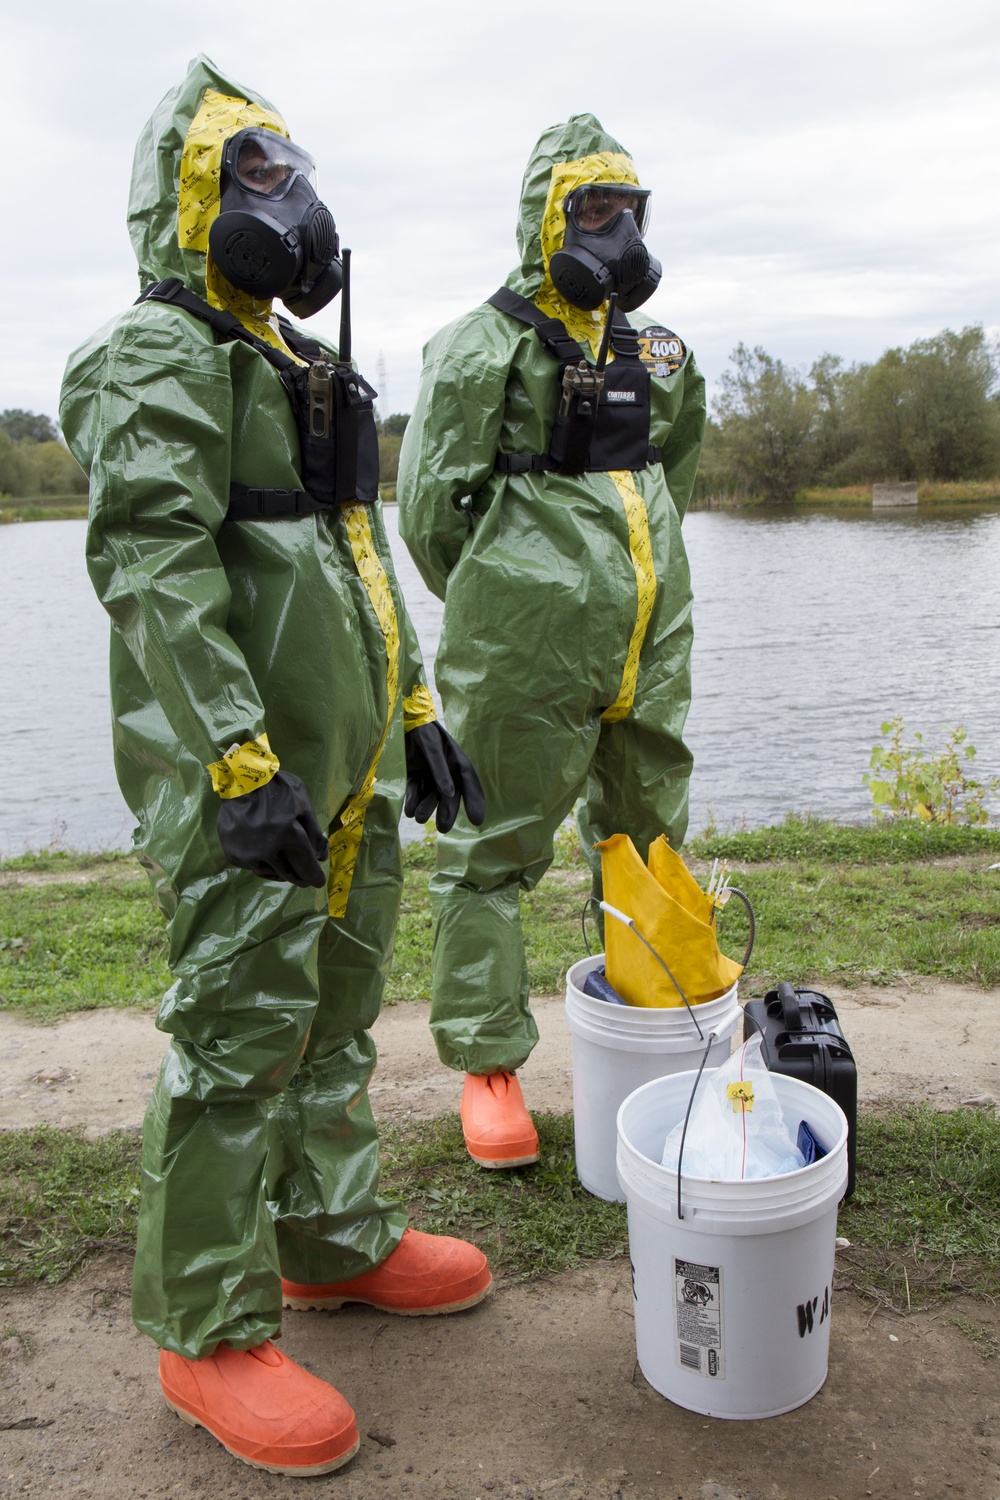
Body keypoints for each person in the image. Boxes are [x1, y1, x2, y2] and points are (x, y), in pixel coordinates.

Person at [59, 56, 487, 1477]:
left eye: (291, 170)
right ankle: (205, 1328)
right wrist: (237, 763)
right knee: (240, 1037)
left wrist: (414, 706)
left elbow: (359, 559)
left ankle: (330, 1239)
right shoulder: (154, 360)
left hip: (346, 770)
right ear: (185, 199)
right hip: (249, 783)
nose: (290, 200)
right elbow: (155, 562)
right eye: (254, 174)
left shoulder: (300, 366)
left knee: (336, 1012)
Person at [397, 114, 706, 1169]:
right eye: (592, 209)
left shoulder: (659, 350)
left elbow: (677, 466)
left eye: (629, 209)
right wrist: (509, 597)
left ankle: (660, 1029)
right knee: (490, 846)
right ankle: (489, 1070)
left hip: (649, 639)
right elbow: (431, 511)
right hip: (522, 648)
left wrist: (633, 579)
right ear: (545, 218)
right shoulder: (477, 345)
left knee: (647, 834)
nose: (615, 230)